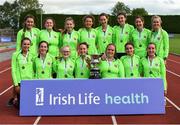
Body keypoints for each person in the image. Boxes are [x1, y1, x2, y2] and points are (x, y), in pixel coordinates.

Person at [11, 37, 35, 108]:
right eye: (24, 44)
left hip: (30, 81)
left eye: (28, 44)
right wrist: (16, 84)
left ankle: (16, 101)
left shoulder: (32, 55)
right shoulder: (15, 55)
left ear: (30, 45)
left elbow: (34, 69)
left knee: (30, 105)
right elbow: (13, 70)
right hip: (20, 82)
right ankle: (16, 101)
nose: (26, 46)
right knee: (21, 107)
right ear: (21, 45)